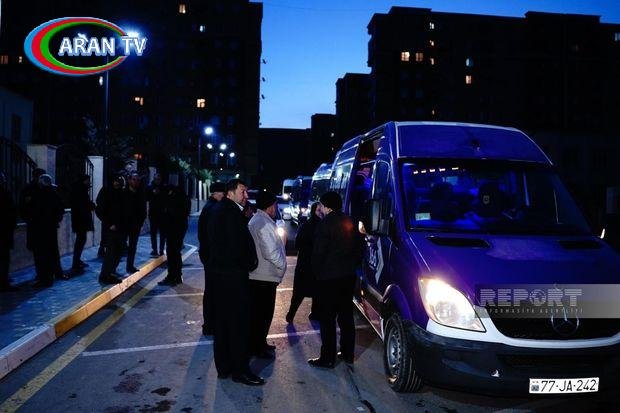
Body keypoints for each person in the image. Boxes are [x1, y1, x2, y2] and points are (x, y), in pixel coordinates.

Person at [207, 179, 263, 386]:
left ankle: (225, 367)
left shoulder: (221, 210)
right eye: (242, 191)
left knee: (223, 324)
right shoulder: (230, 213)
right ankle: (240, 370)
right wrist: (250, 263)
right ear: (230, 193)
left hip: (222, 277)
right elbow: (236, 248)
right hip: (233, 277)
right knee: (238, 325)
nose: (246, 195)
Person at [309, 191, 363, 368]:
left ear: (326, 206)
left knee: (327, 319)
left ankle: (328, 358)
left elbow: (318, 253)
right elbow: (359, 249)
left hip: (329, 279)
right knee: (346, 316)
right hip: (348, 277)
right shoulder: (350, 221)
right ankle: (347, 353)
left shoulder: (325, 224)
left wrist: (317, 274)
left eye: (322, 205)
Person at [247, 191, 287, 359]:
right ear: (270, 206)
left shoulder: (257, 220)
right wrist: (282, 265)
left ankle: (260, 343)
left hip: (260, 275)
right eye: (275, 205)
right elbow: (270, 251)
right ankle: (257, 347)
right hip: (264, 276)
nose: (276, 208)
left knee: (259, 314)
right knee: (263, 315)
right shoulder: (263, 222)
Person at [198, 181, 226, 335]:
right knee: (212, 292)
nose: (224, 195)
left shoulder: (209, 207)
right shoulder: (213, 209)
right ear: (215, 193)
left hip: (208, 255)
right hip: (211, 256)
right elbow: (211, 236)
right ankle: (209, 325)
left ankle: (209, 324)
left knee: (211, 291)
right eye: (222, 193)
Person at [286, 201, 321, 323]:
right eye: (318, 210)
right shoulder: (321, 226)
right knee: (315, 292)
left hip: (304, 264)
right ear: (314, 211)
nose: (321, 213)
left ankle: (291, 314)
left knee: (299, 292)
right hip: (312, 265)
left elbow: (297, 244)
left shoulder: (305, 225)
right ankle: (313, 314)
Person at [30, 174, 66, 287]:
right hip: (50, 227)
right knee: (51, 252)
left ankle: (45, 278)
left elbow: (34, 211)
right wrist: (55, 220)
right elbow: (60, 208)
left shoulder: (39, 194)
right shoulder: (53, 193)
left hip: (41, 228)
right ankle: (52, 275)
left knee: (43, 254)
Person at [158, 183, 190, 286]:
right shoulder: (184, 197)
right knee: (175, 253)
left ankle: (172, 276)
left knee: (172, 253)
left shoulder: (174, 199)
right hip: (178, 228)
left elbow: (171, 213)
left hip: (174, 229)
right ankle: (177, 276)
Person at [96, 175, 125, 284]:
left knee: (118, 252)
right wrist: (109, 224)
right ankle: (105, 275)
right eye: (115, 181)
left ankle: (111, 273)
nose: (117, 183)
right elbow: (100, 210)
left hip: (120, 227)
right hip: (110, 228)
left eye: (119, 181)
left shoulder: (121, 192)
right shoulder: (106, 192)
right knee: (111, 253)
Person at [70, 174, 95, 275]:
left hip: (80, 220)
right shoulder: (80, 191)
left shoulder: (80, 190)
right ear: (84, 181)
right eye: (88, 180)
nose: (89, 182)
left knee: (81, 240)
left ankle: (77, 261)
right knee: (80, 240)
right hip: (80, 220)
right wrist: (91, 205)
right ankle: (76, 262)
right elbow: (82, 205)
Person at [123, 173, 147, 274]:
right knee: (119, 247)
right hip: (123, 224)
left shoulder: (140, 194)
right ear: (129, 180)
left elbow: (143, 210)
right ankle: (112, 269)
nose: (136, 182)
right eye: (134, 179)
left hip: (135, 225)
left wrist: (140, 223)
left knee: (132, 246)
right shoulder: (124, 193)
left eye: (137, 180)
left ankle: (130, 266)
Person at [0, 172, 18, 292]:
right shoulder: (5, 193)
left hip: (5, 229)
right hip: (4, 230)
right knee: (4, 257)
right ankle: (4, 282)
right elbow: (11, 211)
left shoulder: (5, 193)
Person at [146, 173, 166, 256]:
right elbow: (147, 197)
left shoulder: (164, 187)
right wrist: (152, 193)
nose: (157, 181)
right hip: (153, 213)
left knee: (162, 233)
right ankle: (154, 249)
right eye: (156, 179)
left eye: (159, 179)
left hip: (162, 213)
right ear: (154, 179)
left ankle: (161, 249)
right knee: (153, 232)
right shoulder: (150, 187)